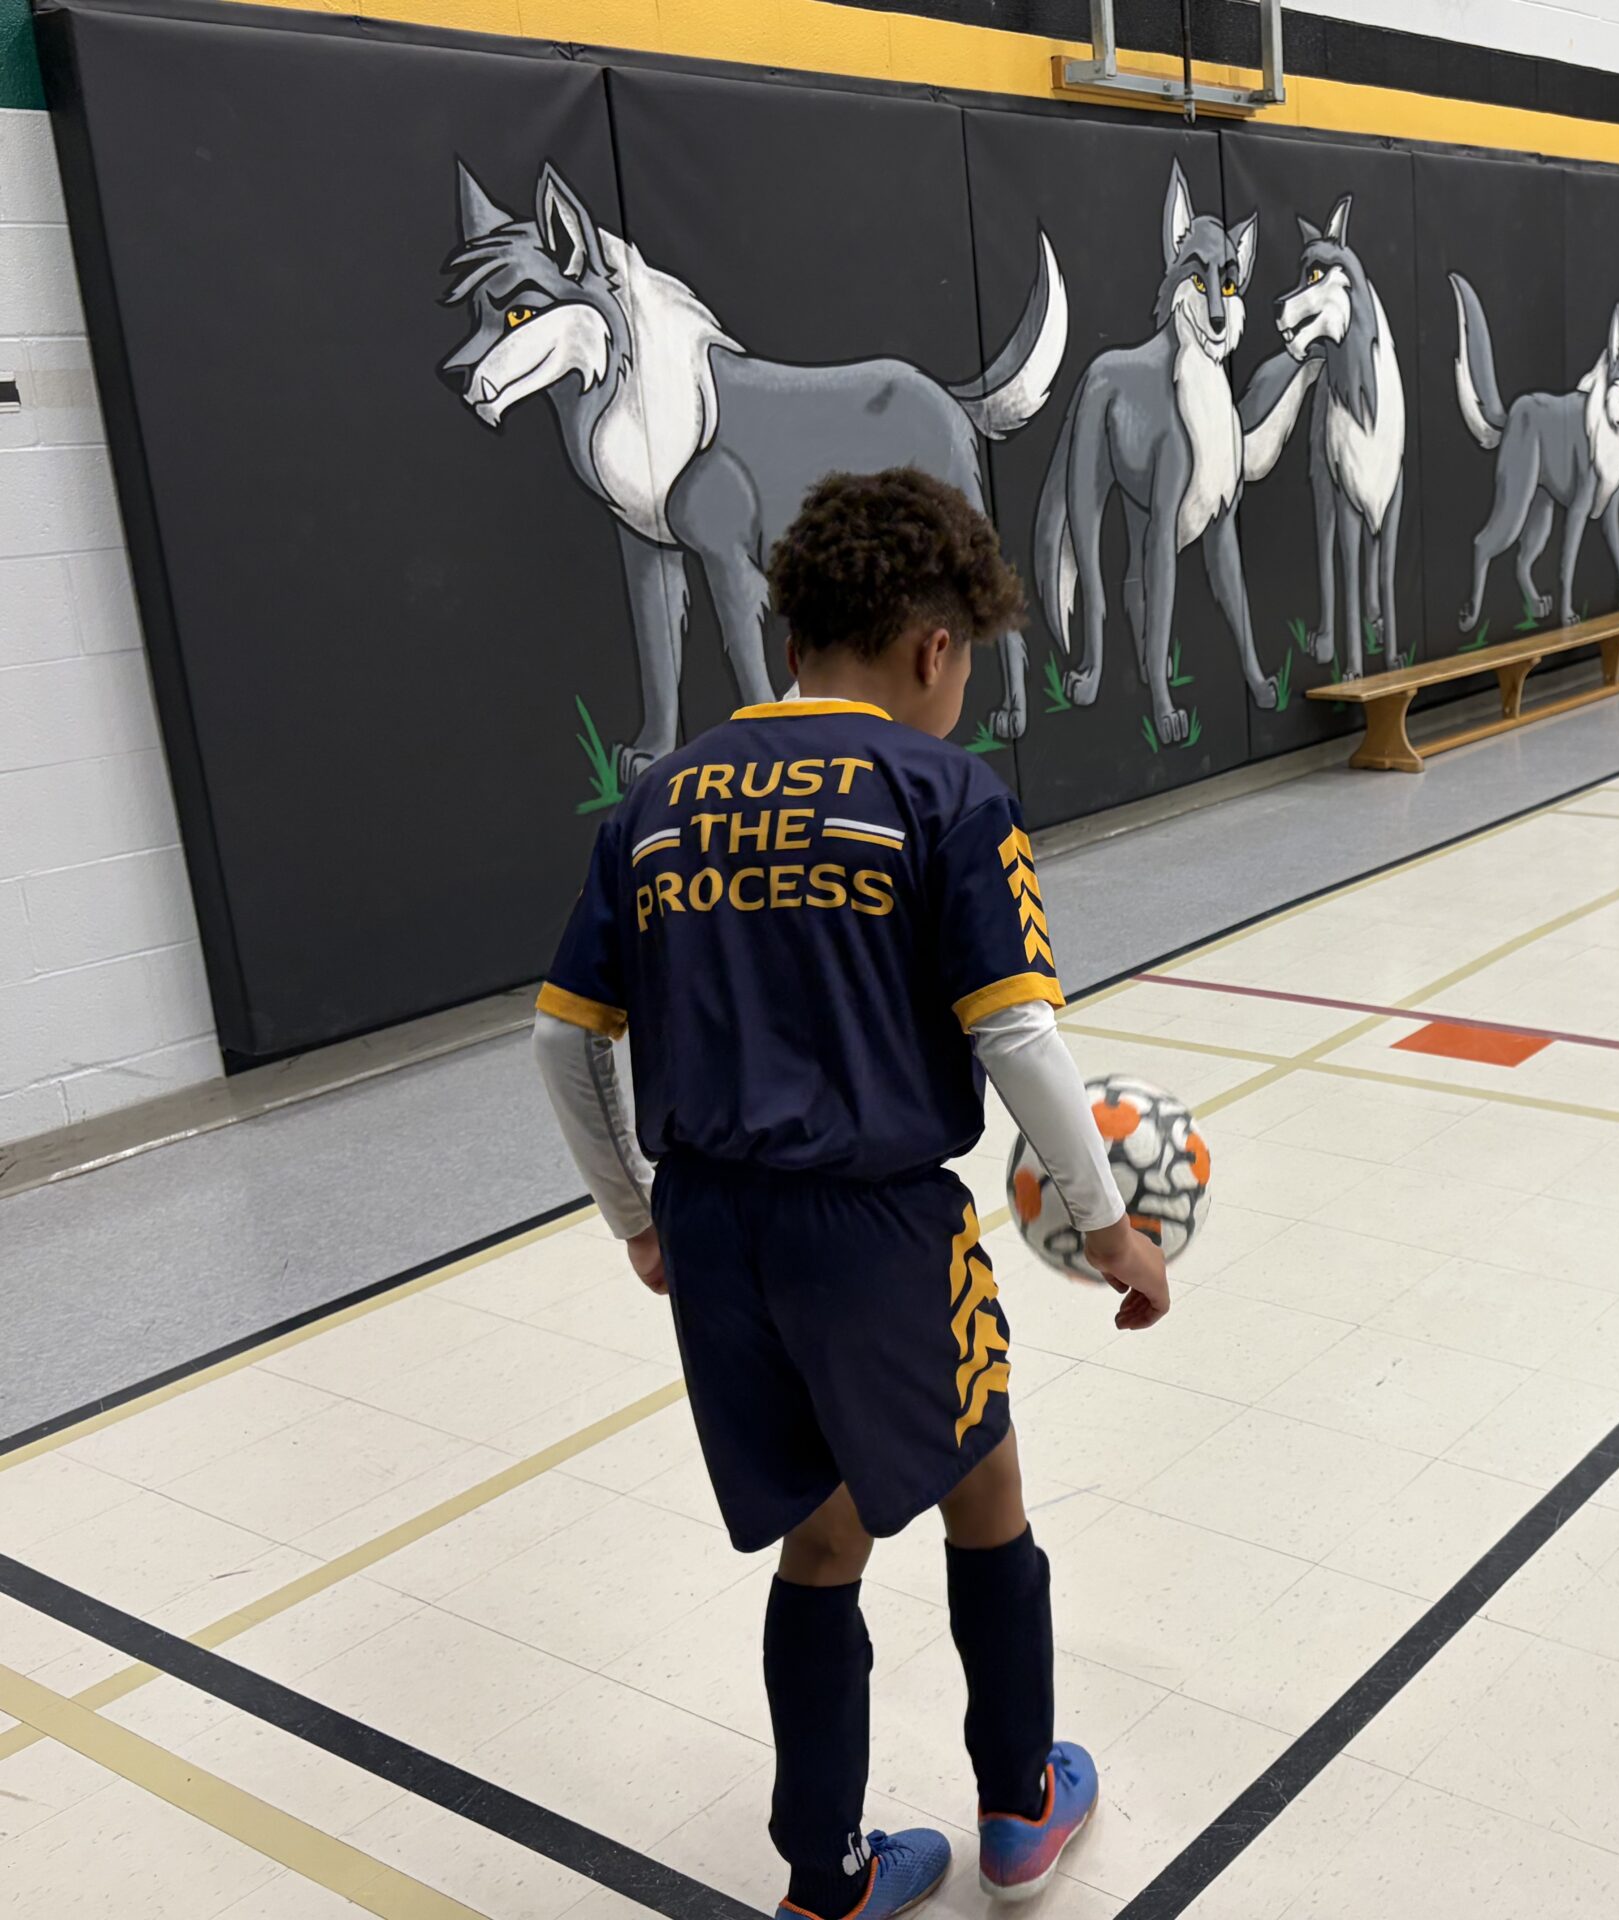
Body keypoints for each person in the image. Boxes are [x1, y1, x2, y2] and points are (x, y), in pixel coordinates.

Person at [529, 466, 1167, 1919]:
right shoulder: (944, 793)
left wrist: (636, 1217)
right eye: (968, 666)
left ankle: (826, 1879)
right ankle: (1019, 1806)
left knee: (821, 1533)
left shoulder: (658, 798)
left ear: (795, 628)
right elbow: (1017, 1035)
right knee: (983, 1487)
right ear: (936, 648)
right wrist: (1107, 1225)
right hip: (874, 1227)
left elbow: (564, 1040)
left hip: (711, 1223)